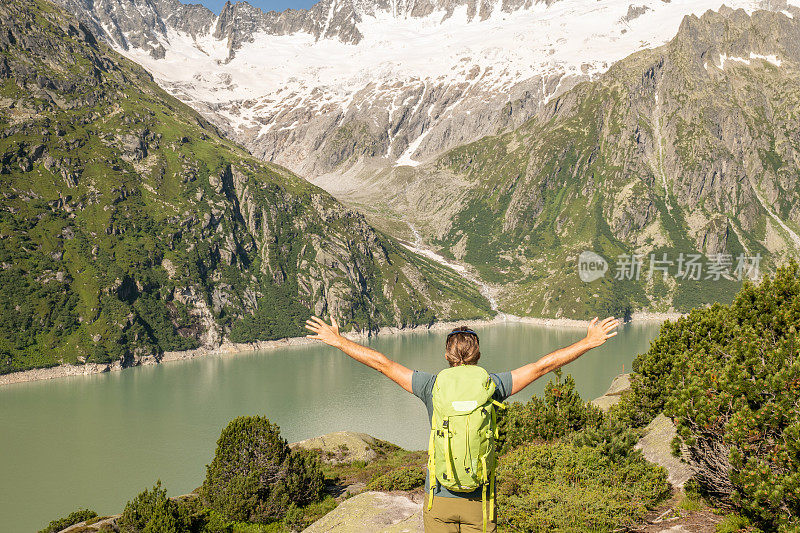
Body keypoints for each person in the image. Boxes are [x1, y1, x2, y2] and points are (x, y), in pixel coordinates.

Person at [304, 315, 620, 532]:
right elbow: (542, 366)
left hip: (438, 498)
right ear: (478, 354)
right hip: (479, 500)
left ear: (447, 355)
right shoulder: (493, 385)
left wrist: (339, 341)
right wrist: (589, 341)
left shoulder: (431, 386)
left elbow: (382, 363)